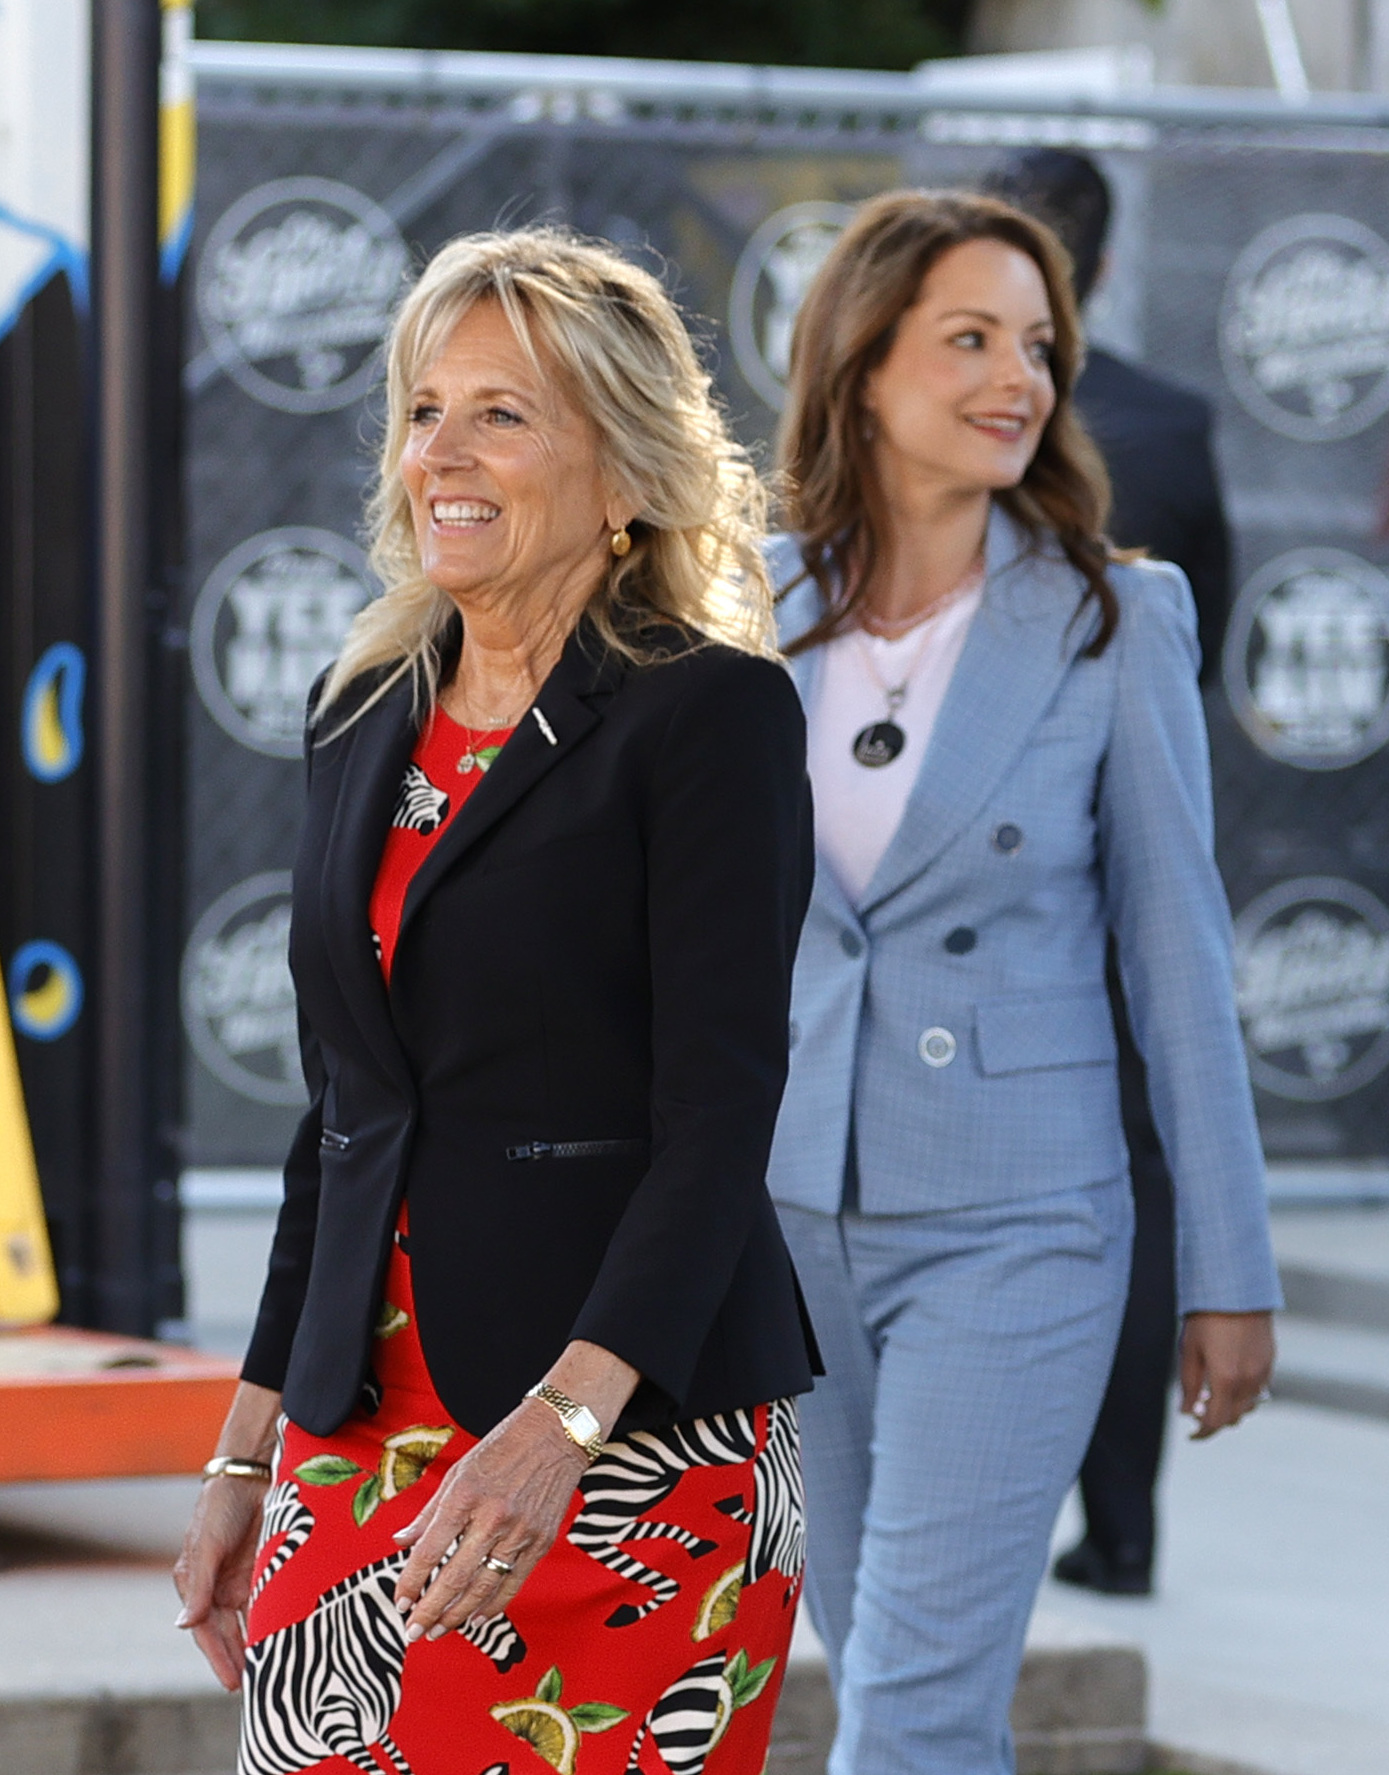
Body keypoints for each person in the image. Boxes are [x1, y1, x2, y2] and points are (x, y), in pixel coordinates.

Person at [172, 227, 821, 1773]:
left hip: (627, 1441)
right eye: (422, 409)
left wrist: (564, 1429)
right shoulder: (359, 708)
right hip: (355, 1427)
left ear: (627, 473)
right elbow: (344, 1116)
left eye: (503, 414)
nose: (440, 454)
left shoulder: (709, 714)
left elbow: (719, 1115)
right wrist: (243, 1446)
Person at [762, 188, 1281, 1774]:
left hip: (1019, 1223)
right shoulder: (742, 601)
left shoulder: (1115, 618)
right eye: (970, 338)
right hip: (788, 1223)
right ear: (861, 367)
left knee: (909, 1716)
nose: (1020, 378)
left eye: (1039, 345)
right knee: (888, 1682)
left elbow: (1176, 949)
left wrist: (1229, 1266)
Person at [978, 145, 1231, 1597]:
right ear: (1109, 262)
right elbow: (1213, 659)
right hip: (1124, 869)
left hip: (971, 897)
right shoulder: (1175, 427)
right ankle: (1120, 1527)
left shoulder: (924, 426)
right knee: (1124, 1181)